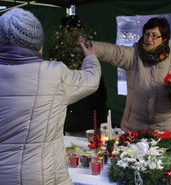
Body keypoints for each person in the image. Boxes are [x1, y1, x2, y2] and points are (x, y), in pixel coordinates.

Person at [0, 8, 101, 185]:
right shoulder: (54, 74)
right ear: (39, 44)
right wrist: (90, 58)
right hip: (43, 177)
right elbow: (91, 80)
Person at [92, 17, 171, 137]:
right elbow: (115, 52)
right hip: (135, 126)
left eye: (154, 35)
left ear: (164, 38)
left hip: (167, 127)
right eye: (147, 34)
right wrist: (91, 46)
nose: (149, 39)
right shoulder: (134, 54)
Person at [50, 15, 108, 137]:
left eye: (79, 29)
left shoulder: (88, 51)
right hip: (72, 116)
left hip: (91, 113)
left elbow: (98, 85)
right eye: (71, 31)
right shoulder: (58, 55)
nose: (77, 34)